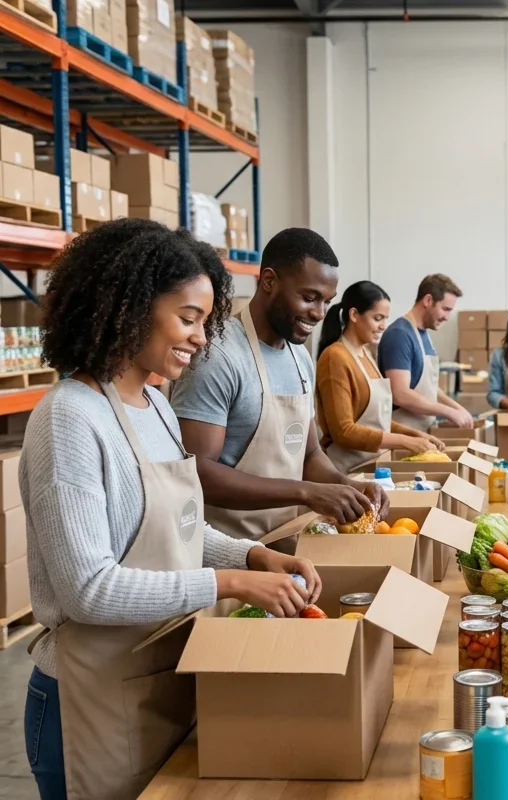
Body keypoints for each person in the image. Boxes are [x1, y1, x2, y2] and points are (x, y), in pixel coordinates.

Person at [20, 220, 323, 800]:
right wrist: (230, 582)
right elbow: (89, 590)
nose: (200, 338)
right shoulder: (69, 419)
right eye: (187, 319)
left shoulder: (156, 405)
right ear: (126, 307)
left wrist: (256, 555)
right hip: (86, 699)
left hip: (160, 675)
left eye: (206, 323)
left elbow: (181, 531)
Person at [171, 228, 387, 554]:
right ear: (269, 281)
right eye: (309, 297)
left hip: (285, 544)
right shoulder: (219, 355)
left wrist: (347, 486)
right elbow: (197, 471)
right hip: (225, 555)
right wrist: (305, 492)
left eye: (326, 302)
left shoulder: (300, 357)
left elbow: (310, 454)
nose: (318, 313)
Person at [315, 281, 445, 473]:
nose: (383, 326)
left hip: (372, 466)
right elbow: (343, 431)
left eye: (385, 318)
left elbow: (378, 421)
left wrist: (416, 435)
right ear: (354, 315)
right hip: (345, 471)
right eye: (377, 318)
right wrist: (404, 441)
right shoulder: (335, 357)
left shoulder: (366, 353)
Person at [377, 273, 474, 432]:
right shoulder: (400, 335)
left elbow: (429, 388)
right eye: (445, 309)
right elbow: (400, 393)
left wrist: (457, 409)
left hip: (421, 431)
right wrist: (448, 412)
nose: (447, 317)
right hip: (402, 432)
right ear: (428, 300)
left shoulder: (424, 334)